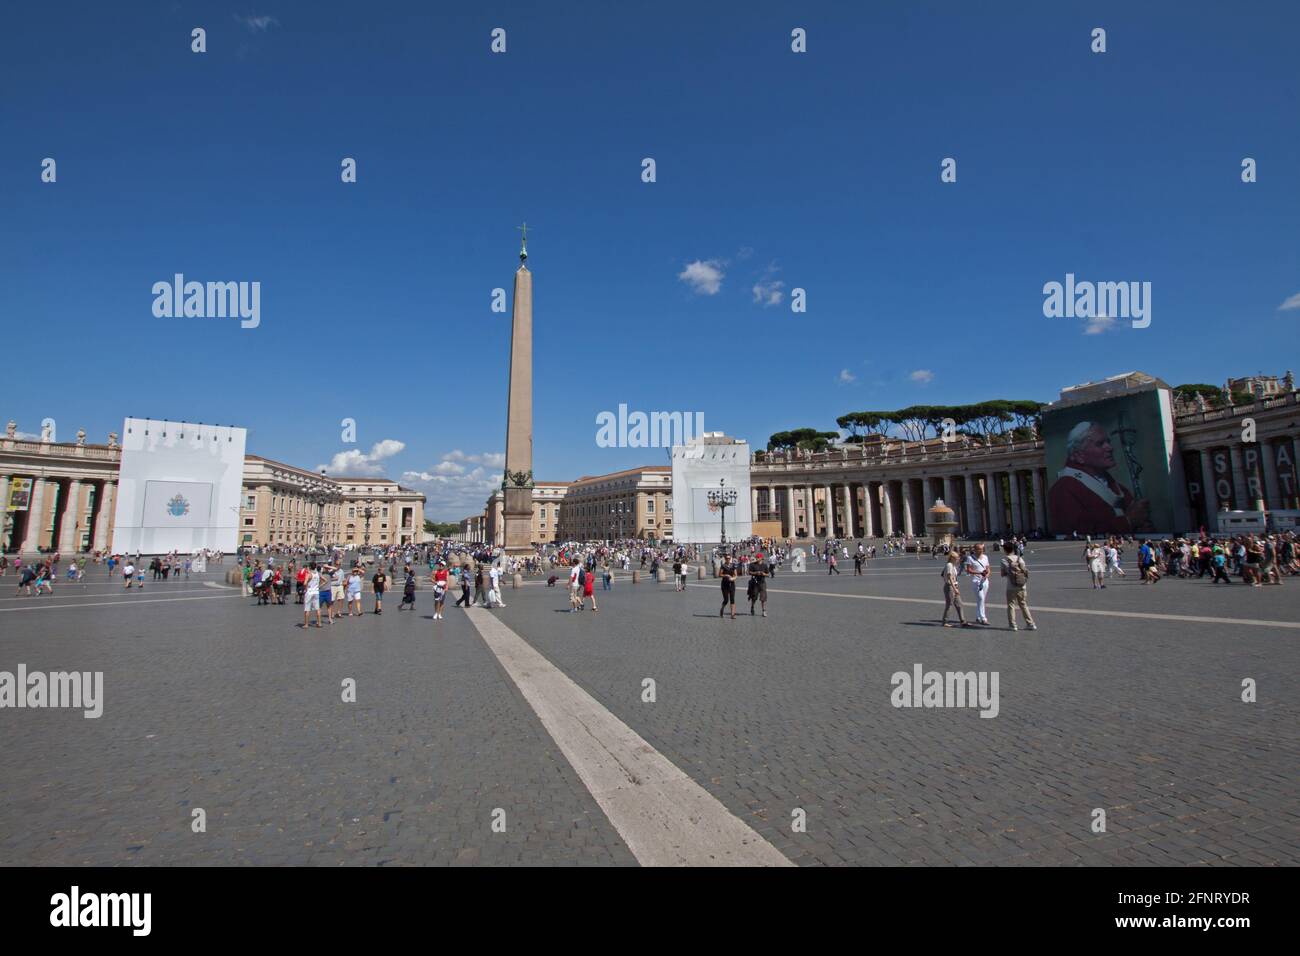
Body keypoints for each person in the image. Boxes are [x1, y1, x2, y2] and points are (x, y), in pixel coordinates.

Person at [1047, 421, 1151, 534]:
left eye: (1108, 442)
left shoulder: (1118, 488)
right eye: (1100, 444)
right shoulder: (1064, 489)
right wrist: (1128, 521)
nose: (1110, 448)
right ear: (1079, 456)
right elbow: (1075, 531)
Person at [1000, 541, 1036, 631]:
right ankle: (1030, 623)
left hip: (1011, 586)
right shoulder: (1019, 559)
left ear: (1005, 550)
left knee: (1011, 605)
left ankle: (1013, 625)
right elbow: (1025, 570)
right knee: (1023, 604)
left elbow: (1003, 573)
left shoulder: (1004, 560)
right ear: (1013, 549)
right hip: (1022, 585)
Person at [963, 543, 990, 626]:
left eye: (982, 549)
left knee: (981, 600)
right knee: (981, 598)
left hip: (985, 581)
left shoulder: (985, 557)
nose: (981, 550)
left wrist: (987, 574)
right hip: (976, 581)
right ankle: (983, 618)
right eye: (978, 549)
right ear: (974, 549)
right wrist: (979, 572)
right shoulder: (970, 558)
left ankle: (978, 617)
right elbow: (968, 570)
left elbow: (988, 568)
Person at [940, 551, 967, 627]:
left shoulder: (952, 565)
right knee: (950, 605)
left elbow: (942, 575)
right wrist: (955, 588)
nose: (958, 559)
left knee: (959, 604)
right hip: (950, 587)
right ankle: (944, 621)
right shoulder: (949, 565)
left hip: (953, 586)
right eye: (957, 558)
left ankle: (963, 621)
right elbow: (950, 577)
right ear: (952, 558)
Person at [748, 552, 769, 617]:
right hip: (755, 583)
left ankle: (764, 610)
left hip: (762, 583)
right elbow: (749, 572)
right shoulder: (752, 565)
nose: (756, 558)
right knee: (754, 597)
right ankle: (752, 607)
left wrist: (763, 574)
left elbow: (768, 574)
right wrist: (756, 573)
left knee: (763, 598)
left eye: (758, 557)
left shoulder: (765, 565)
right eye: (756, 557)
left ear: (761, 558)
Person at [302, 564, 323, 629]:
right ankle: (319, 623)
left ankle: (306, 624)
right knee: (317, 608)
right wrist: (318, 586)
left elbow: (305, 583)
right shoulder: (317, 574)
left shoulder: (309, 574)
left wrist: (306, 587)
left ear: (310, 567)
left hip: (310, 592)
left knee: (307, 609)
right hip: (316, 592)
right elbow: (324, 580)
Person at [719, 554, 737, 620]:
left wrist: (733, 578)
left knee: (732, 599)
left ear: (731, 558)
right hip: (724, 584)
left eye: (729, 558)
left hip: (732, 584)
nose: (728, 559)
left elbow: (735, 575)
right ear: (725, 559)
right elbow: (720, 574)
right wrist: (726, 575)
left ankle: (732, 614)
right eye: (727, 558)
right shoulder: (723, 566)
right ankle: (722, 609)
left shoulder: (733, 565)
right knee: (726, 600)